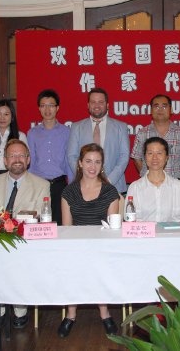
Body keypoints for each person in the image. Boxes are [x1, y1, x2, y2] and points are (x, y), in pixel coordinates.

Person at [0, 139, 49, 329]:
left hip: (25, 243)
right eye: (12, 156)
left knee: (19, 259)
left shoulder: (42, 185)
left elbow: (40, 218)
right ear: (5, 161)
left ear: (28, 160)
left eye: (21, 156)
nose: (17, 159)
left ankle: (20, 306)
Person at [58, 143, 120, 337]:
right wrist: (78, 247)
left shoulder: (110, 191)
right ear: (79, 164)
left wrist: (95, 246)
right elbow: (67, 230)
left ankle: (105, 313)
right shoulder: (68, 192)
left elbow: (112, 228)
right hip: (76, 245)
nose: (92, 167)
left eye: (97, 162)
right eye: (88, 161)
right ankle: (70, 314)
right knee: (72, 262)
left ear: (102, 165)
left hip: (103, 244)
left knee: (98, 261)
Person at [66, 87, 129, 192]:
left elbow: (124, 156)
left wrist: (109, 180)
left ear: (107, 105)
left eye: (101, 102)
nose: (97, 105)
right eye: (93, 102)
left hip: (114, 185)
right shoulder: (77, 127)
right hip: (84, 186)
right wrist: (85, 178)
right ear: (88, 105)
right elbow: (72, 156)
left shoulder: (120, 127)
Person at [27, 89, 72, 224]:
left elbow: (69, 160)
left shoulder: (67, 132)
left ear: (57, 108)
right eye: (43, 105)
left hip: (60, 185)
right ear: (39, 108)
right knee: (39, 221)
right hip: (38, 184)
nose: (47, 110)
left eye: (51, 105)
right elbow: (31, 161)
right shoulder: (32, 133)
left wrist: (72, 186)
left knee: (60, 222)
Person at [127, 137, 180, 222]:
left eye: (159, 153)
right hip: (144, 234)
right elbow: (131, 217)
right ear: (145, 157)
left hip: (170, 233)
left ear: (167, 157)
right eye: (150, 153)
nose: (154, 157)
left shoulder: (177, 186)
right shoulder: (135, 187)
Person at [131, 94, 180, 180]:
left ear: (171, 110)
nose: (160, 110)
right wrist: (149, 175)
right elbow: (137, 158)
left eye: (164, 106)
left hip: (174, 184)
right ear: (151, 110)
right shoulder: (142, 133)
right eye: (156, 106)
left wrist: (175, 176)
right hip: (148, 184)